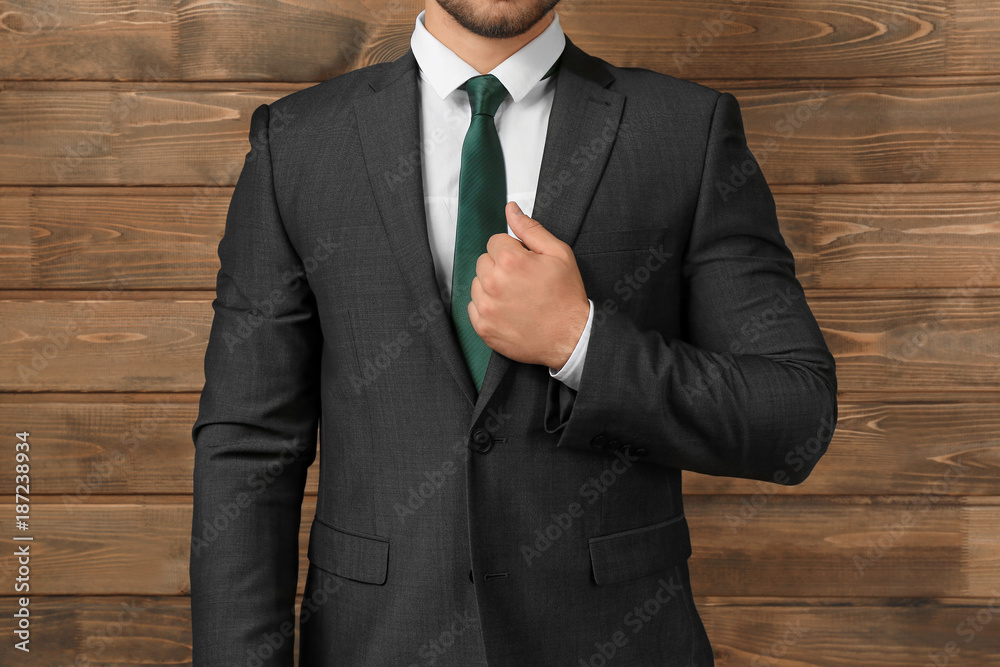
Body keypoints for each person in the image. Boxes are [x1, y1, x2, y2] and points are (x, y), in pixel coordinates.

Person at [189, 1, 838, 665]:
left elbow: (794, 414)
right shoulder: (300, 141)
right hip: (378, 641)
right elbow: (249, 445)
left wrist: (580, 343)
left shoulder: (683, 131)